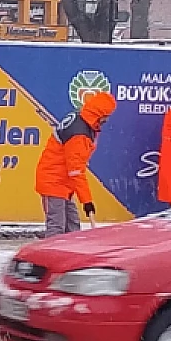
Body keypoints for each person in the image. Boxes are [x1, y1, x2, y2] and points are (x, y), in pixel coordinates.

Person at [34, 91, 117, 238]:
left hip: (64, 183)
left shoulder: (83, 120)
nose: (107, 120)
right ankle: (50, 257)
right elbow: (76, 171)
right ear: (100, 115)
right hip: (53, 182)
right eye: (106, 117)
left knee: (73, 228)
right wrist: (87, 202)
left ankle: (71, 257)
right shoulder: (79, 135)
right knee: (56, 228)